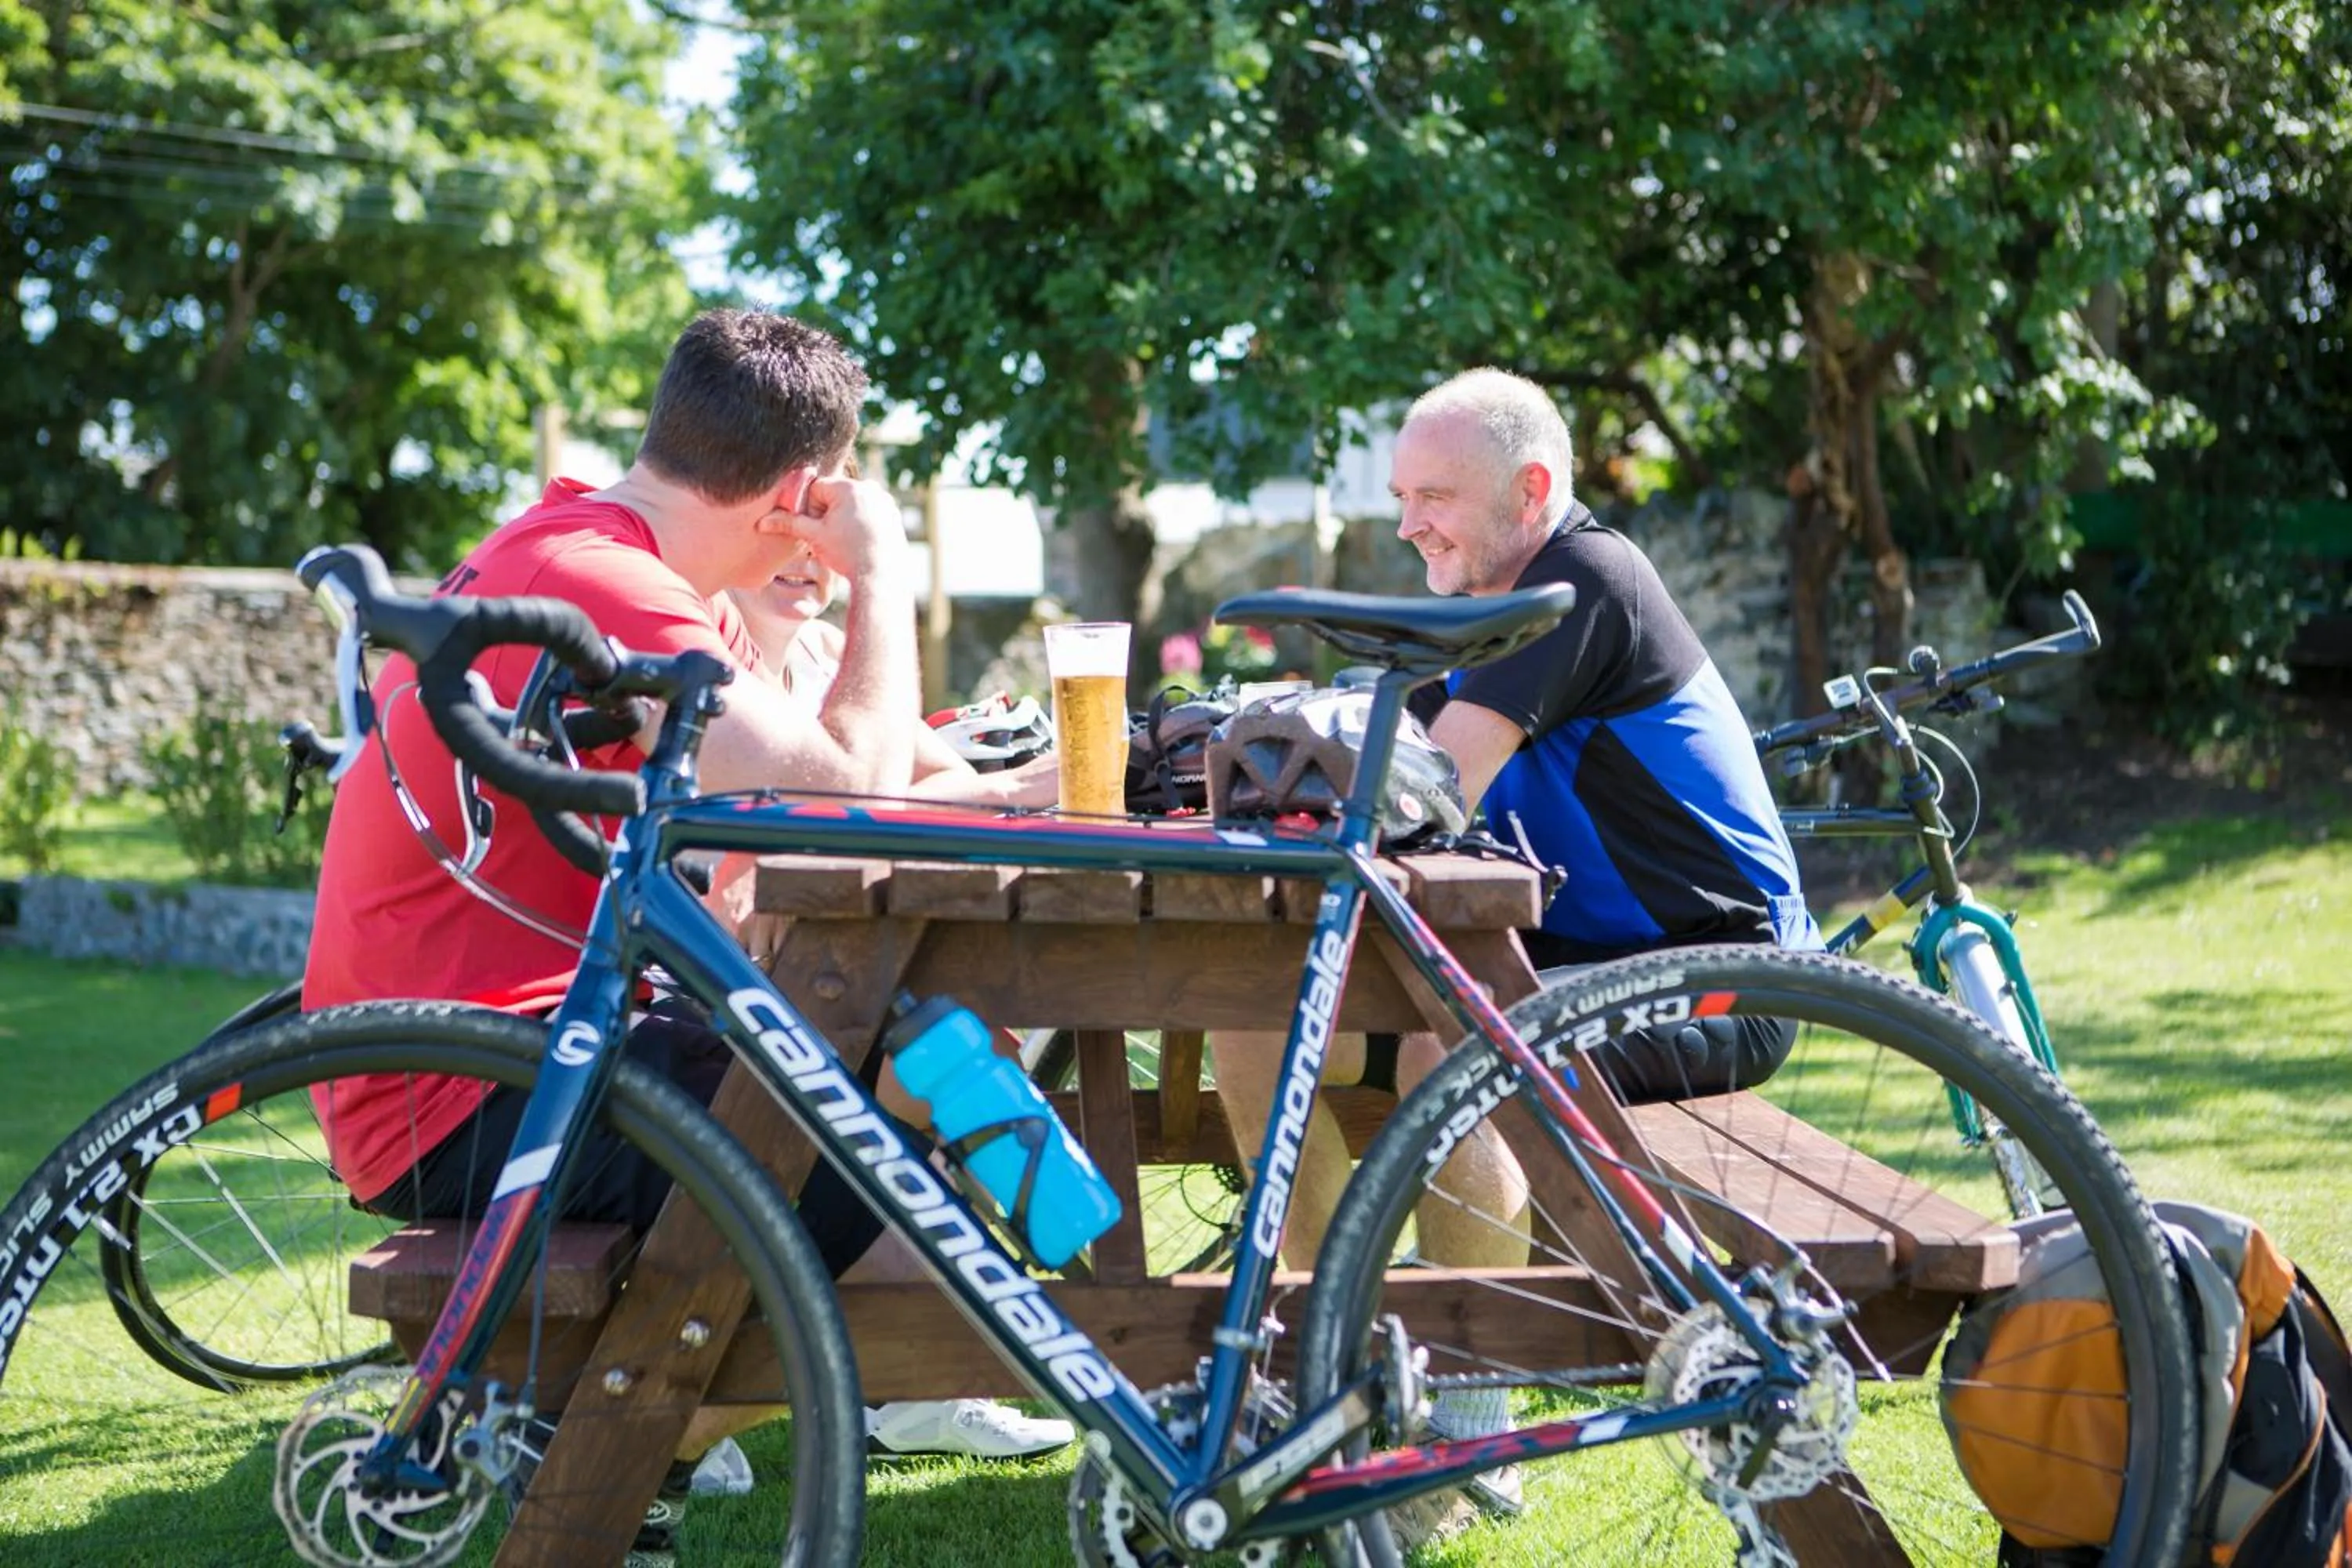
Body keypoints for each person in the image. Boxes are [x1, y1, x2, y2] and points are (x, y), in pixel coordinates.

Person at [302, 310, 1065, 1563]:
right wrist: (886, 579)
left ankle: (619, 1444)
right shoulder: (607, 580)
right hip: (470, 1090)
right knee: (921, 1241)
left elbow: (783, 816)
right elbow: (836, 810)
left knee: (915, 1121)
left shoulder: (585, 547)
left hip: (492, 1056)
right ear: (798, 495)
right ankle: (606, 1449)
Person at [1213, 367, 1820, 1530]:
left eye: (1434, 494)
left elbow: (1430, 788)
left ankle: (1470, 1436)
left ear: (1530, 488)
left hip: (1716, 980)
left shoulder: (1581, 580)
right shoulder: (1497, 606)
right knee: (1259, 1031)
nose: (1408, 524)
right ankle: (1330, 1377)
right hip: (1563, 972)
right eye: (1402, 496)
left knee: (1467, 1055)